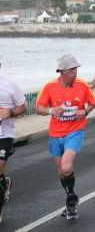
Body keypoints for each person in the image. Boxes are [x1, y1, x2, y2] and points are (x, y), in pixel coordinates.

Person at [35, 55, 95, 220]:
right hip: (55, 134)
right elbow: (38, 108)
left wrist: (84, 112)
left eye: (76, 69)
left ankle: (70, 200)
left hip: (75, 131)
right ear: (61, 71)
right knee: (61, 172)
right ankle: (71, 198)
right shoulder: (49, 87)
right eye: (71, 70)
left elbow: (93, 103)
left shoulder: (82, 85)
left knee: (66, 166)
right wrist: (51, 111)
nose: (75, 72)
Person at [0, 64, 26, 223]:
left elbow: (22, 107)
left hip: (4, 134)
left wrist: (10, 112)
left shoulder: (9, 84)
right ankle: (5, 182)